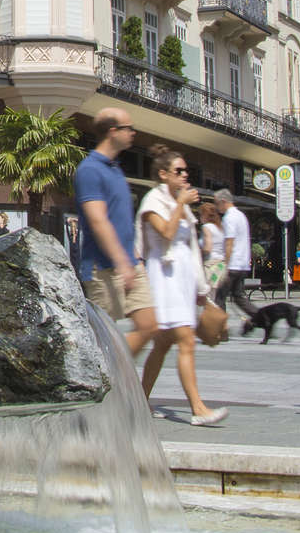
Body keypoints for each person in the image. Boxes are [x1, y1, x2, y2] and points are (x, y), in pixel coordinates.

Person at [137, 147, 227, 426]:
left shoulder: (183, 205)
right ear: (163, 175)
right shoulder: (153, 200)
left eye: (187, 171)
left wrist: (201, 289)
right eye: (179, 171)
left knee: (162, 345)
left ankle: (138, 401)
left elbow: (192, 250)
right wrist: (180, 205)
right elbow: (165, 232)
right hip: (165, 279)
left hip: (182, 281)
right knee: (186, 340)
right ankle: (198, 408)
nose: (185, 175)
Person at [74, 107, 158, 357]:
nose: (133, 133)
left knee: (149, 326)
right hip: (104, 269)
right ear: (113, 132)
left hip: (130, 263)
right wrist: (122, 262)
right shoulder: (89, 170)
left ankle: (118, 378)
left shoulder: (115, 168)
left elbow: (120, 219)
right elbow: (98, 220)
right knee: (105, 344)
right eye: (128, 128)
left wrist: (133, 256)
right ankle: (109, 383)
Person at [213, 189, 259, 318]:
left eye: (217, 204)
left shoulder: (229, 218)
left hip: (233, 264)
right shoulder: (241, 215)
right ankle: (261, 317)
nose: (217, 208)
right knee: (238, 296)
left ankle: (221, 329)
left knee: (220, 297)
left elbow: (229, 242)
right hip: (242, 263)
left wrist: (225, 265)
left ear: (223, 202)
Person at [198, 202, 227, 297]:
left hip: (211, 265)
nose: (199, 217)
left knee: (208, 297)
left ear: (205, 215)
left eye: (200, 214)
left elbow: (208, 247)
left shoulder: (206, 227)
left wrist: (197, 252)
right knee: (217, 298)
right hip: (221, 265)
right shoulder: (220, 228)